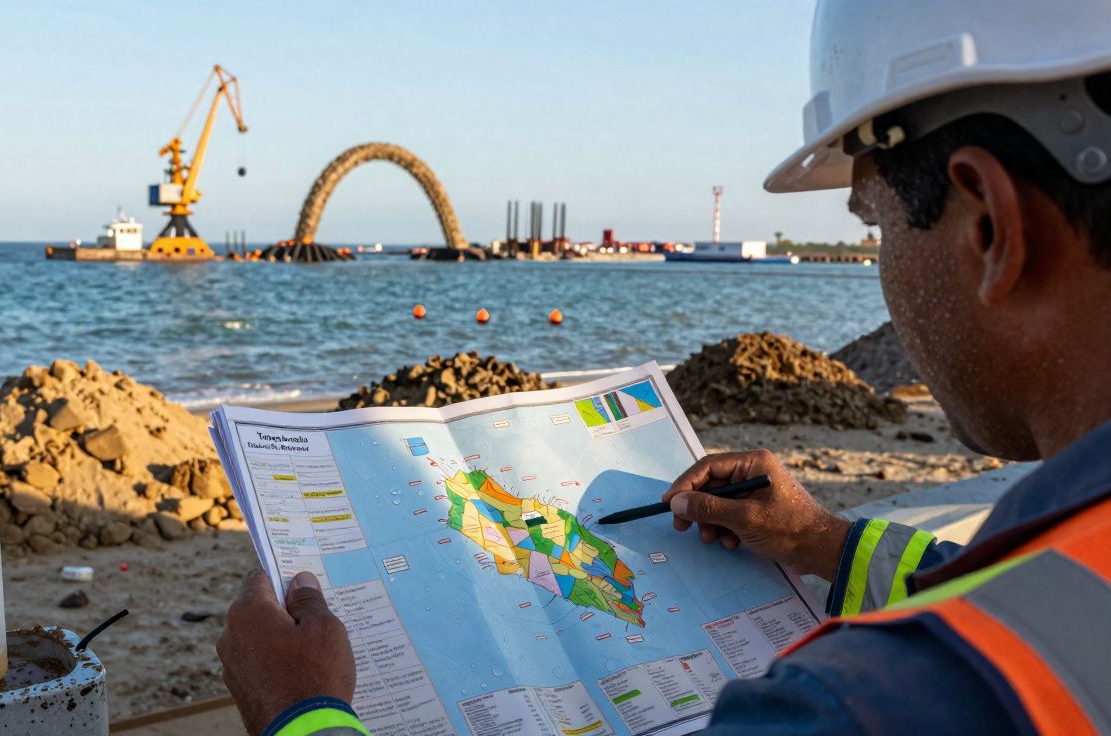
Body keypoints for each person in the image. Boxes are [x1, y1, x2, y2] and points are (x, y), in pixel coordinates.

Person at [216, 1, 1111, 733]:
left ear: (988, 226)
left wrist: (303, 714)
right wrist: (822, 541)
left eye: (872, 223)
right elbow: (1032, 590)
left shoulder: (868, 704)